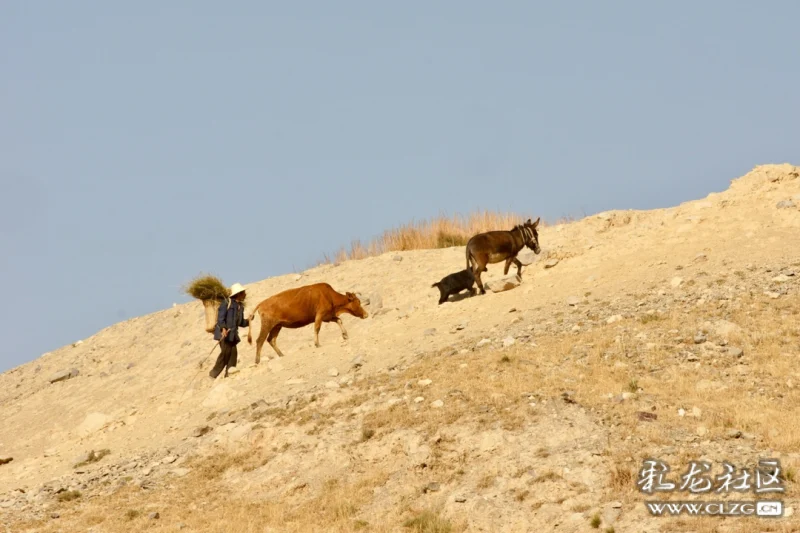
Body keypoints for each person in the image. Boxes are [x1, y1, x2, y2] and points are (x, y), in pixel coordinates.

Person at [209, 282, 250, 379]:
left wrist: (249, 321)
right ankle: (213, 374)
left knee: (233, 354)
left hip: (232, 335)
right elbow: (220, 318)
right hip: (224, 334)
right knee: (225, 353)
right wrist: (223, 328)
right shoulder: (226, 303)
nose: (245, 294)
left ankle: (229, 374)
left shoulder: (240, 307)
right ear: (239, 293)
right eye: (244, 293)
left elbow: (240, 323)